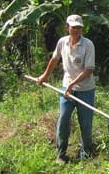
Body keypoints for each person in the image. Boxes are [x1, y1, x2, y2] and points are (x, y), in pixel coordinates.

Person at [37, 14, 96, 163]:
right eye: (73, 27)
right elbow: (55, 59)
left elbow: (89, 70)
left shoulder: (88, 45)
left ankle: (86, 156)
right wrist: (45, 76)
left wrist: (71, 84)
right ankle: (61, 154)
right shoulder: (62, 42)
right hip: (66, 90)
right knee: (63, 121)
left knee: (86, 124)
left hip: (85, 90)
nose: (76, 30)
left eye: (79, 28)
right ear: (67, 27)